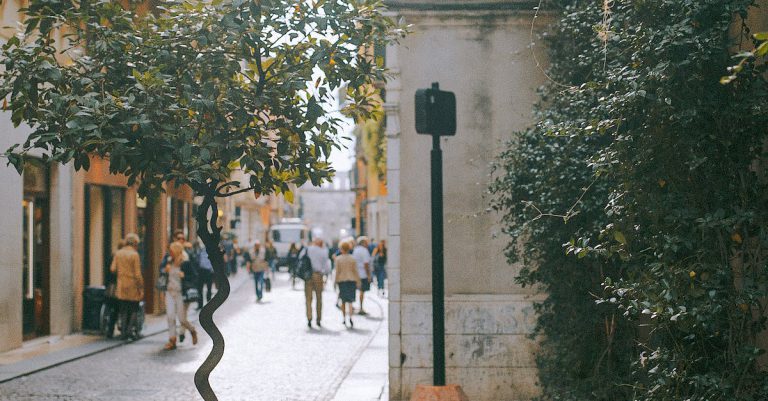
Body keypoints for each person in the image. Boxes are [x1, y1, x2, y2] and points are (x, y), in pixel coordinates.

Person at [162, 242, 198, 350]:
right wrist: (164, 270)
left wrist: (184, 276)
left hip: (180, 293)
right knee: (170, 316)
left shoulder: (185, 263)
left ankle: (192, 330)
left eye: (172, 251)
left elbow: (195, 277)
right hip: (169, 292)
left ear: (177, 251)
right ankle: (172, 340)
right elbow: (161, 271)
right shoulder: (168, 261)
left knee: (182, 319)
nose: (170, 253)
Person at [110, 234, 144, 340]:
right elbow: (138, 274)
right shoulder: (134, 255)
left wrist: (121, 273)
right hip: (132, 285)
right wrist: (141, 287)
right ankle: (130, 331)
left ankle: (123, 332)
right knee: (134, 309)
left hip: (121, 285)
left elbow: (112, 269)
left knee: (123, 309)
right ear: (135, 243)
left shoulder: (118, 253)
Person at [305, 238, 331, 328]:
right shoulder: (323, 251)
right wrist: (326, 276)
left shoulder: (308, 249)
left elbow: (301, 259)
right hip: (318, 275)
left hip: (308, 275)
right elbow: (327, 265)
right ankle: (318, 319)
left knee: (308, 298)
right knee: (319, 298)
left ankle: (309, 317)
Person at [334, 241, 360, 328]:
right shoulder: (352, 258)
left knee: (343, 301)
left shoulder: (338, 259)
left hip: (342, 280)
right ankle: (351, 317)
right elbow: (355, 271)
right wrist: (358, 281)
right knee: (350, 301)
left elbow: (337, 272)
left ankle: (344, 318)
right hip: (351, 280)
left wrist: (335, 282)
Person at [352, 236, 372, 315]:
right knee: (362, 291)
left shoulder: (355, 250)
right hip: (363, 274)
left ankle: (354, 306)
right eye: (367, 242)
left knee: (358, 290)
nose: (368, 244)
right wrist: (369, 275)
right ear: (363, 243)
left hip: (356, 273)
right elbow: (366, 264)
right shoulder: (364, 251)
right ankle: (361, 307)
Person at [196, 244, 214, 310]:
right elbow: (198, 259)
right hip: (201, 271)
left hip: (209, 271)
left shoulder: (212, 251)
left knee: (209, 289)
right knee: (199, 289)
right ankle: (200, 305)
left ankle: (209, 304)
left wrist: (212, 270)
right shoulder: (200, 250)